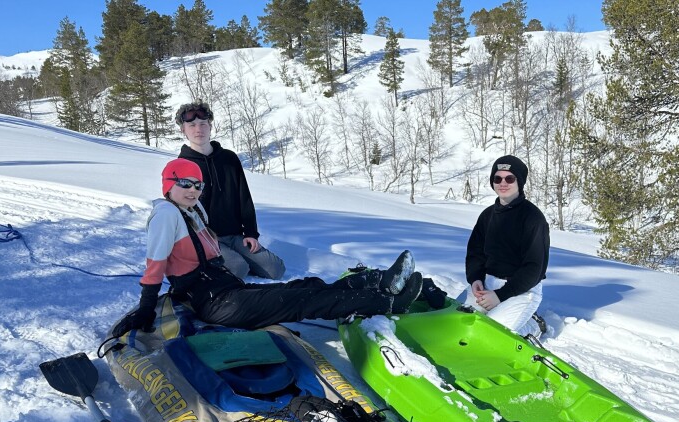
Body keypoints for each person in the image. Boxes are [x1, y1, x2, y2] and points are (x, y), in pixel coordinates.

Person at [112, 159, 421, 337]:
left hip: (229, 290)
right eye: (185, 183)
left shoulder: (193, 211)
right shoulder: (166, 214)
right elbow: (155, 268)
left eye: (198, 185)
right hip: (217, 303)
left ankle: (378, 282)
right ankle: (387, 303)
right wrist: (144, 307)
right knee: (297, 301)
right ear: (169, 184)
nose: (193, 190)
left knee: (306, 285)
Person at [175, 101, 286, 281]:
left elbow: (244, 198)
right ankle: (211, 263)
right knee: (239, 269)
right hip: (206, 239)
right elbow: (180, 211)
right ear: (183, 130)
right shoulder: (182, 166)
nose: (198, 129)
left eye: (203, 124)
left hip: (235, 236)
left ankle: (229, 260)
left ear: (210, 126)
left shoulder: (228, 158)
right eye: (192, 125)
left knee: (276, 269)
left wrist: (250, 233)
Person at [464, 155, 549, 338]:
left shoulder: (533, 219)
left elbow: (534, 268)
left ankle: (533, 326)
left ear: (519, 182)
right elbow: (475, 253)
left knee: (491, 335)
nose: (503, 183)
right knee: (460, 321)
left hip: (521, 290)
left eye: (509, 178)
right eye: (497, 178)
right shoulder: (487, 215)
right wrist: (476, 279)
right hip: (488, 284)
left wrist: (500, 295)